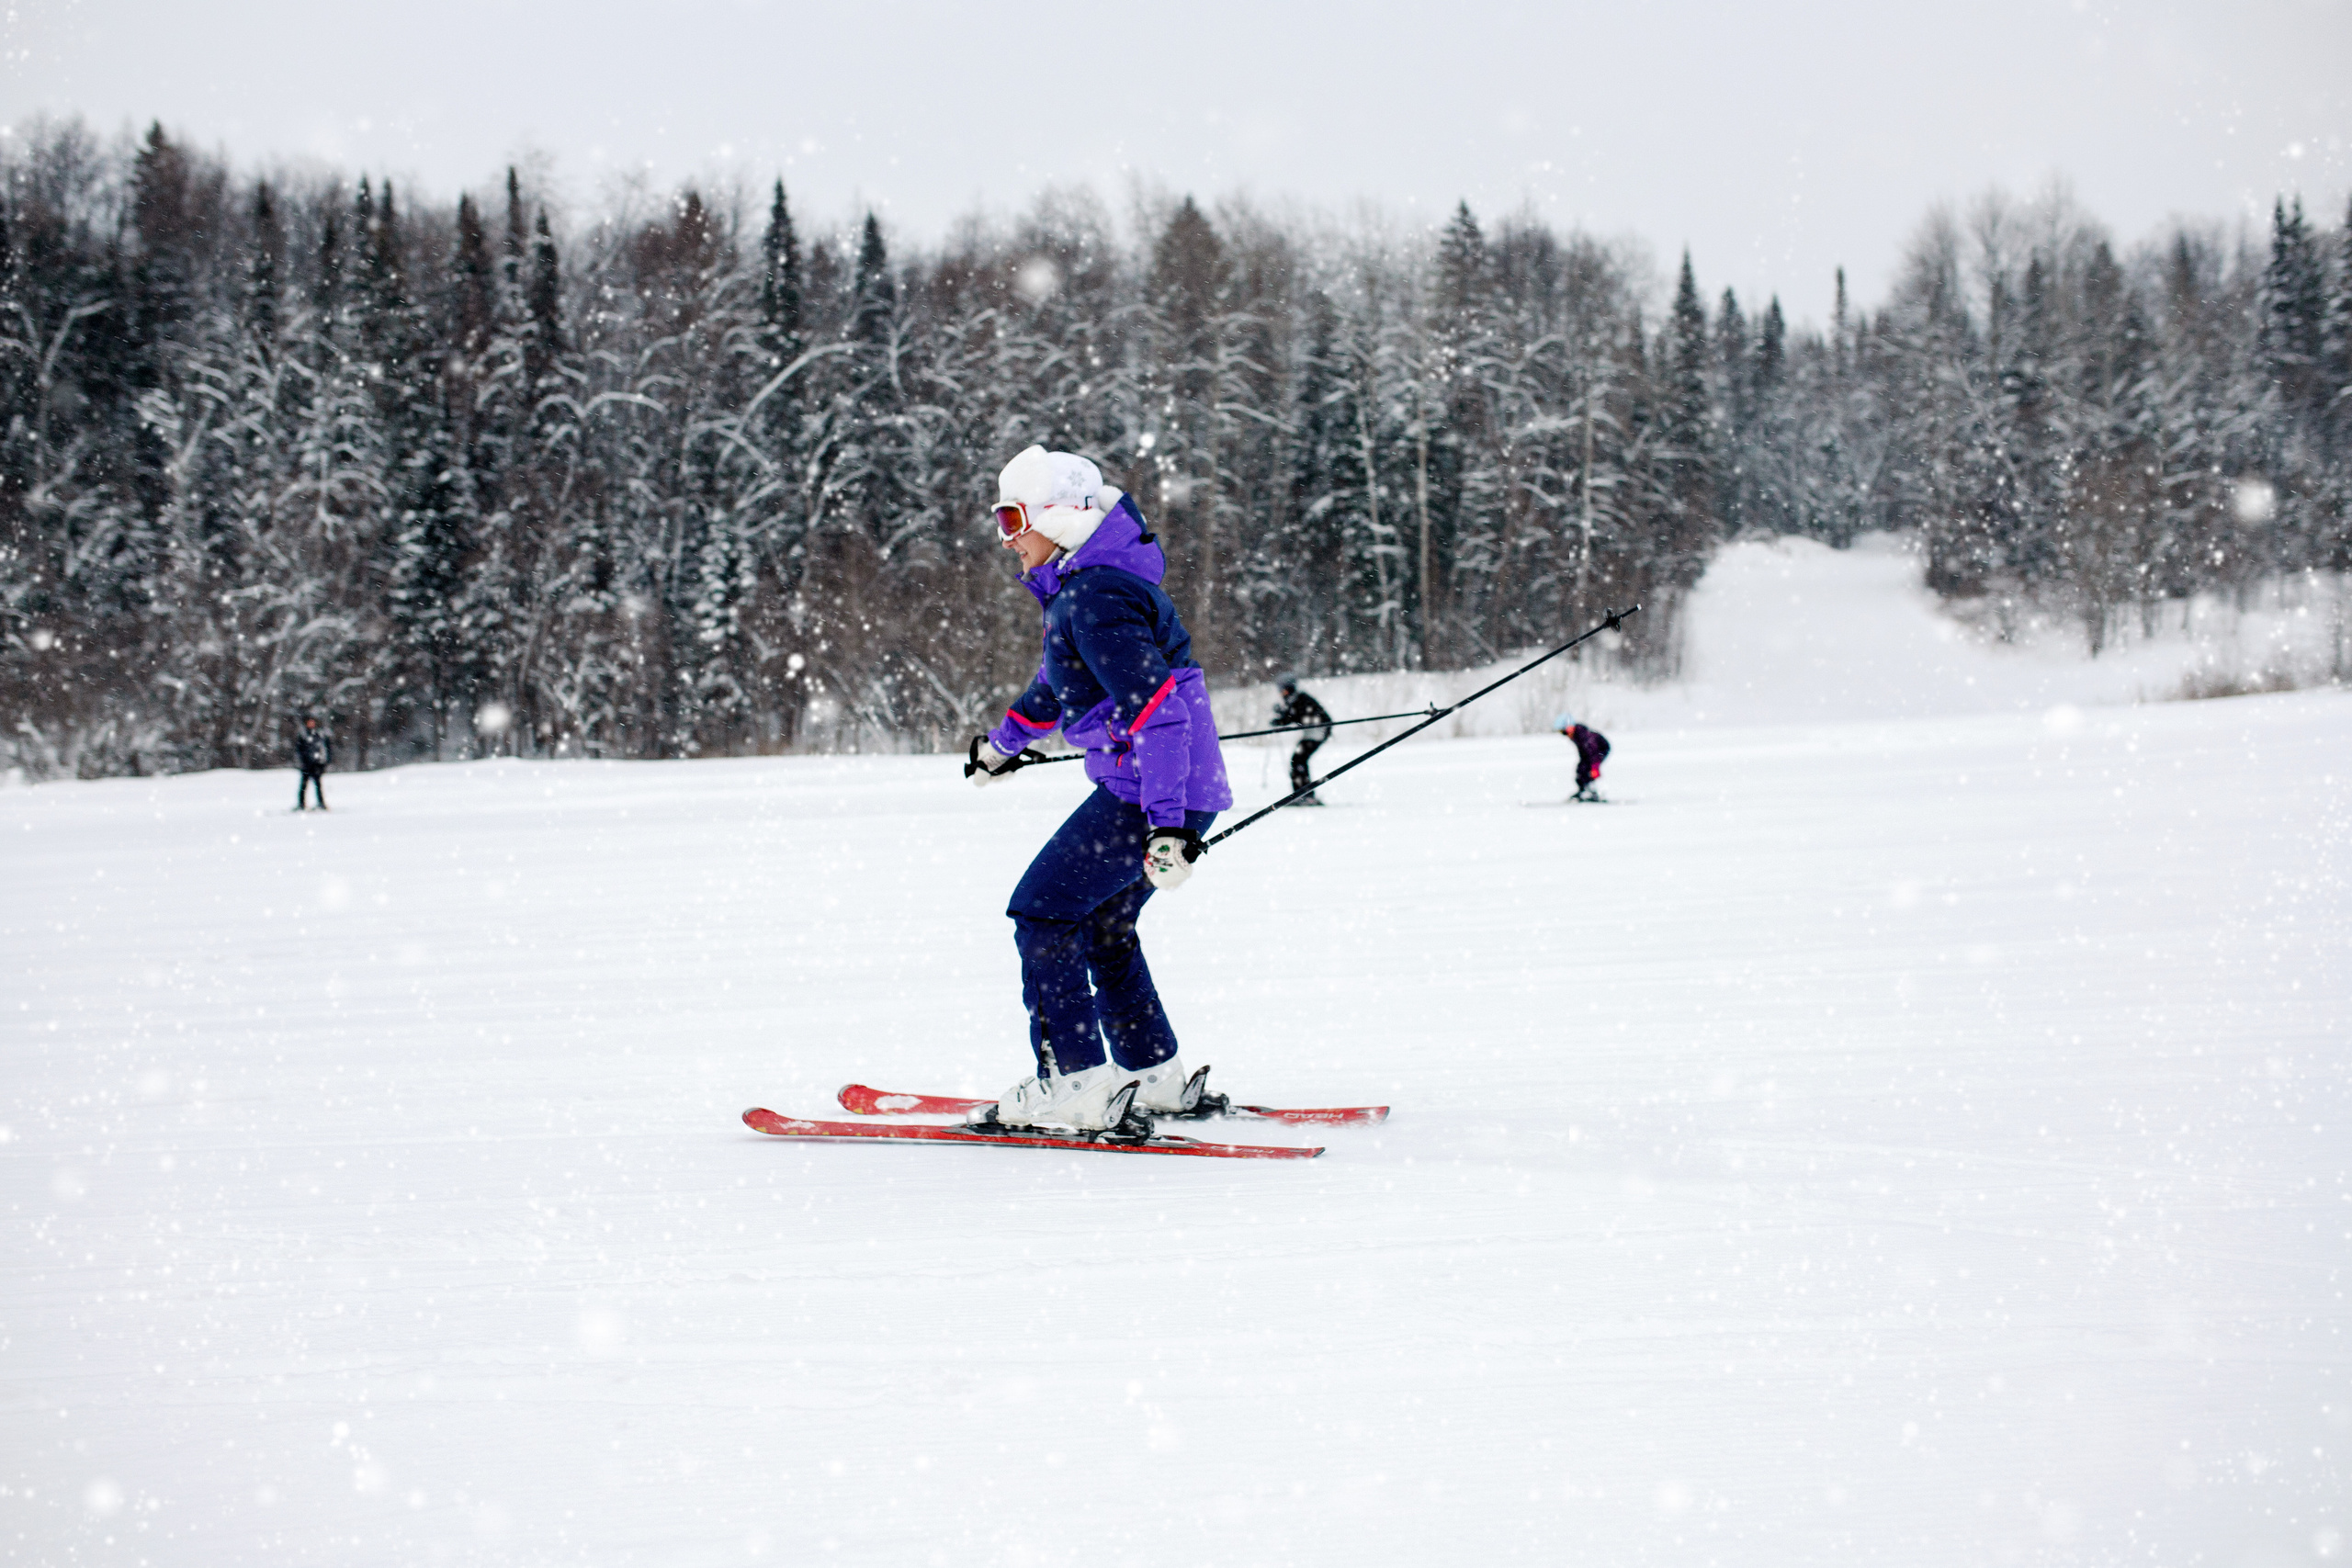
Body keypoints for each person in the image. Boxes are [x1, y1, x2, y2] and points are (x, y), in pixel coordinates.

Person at [965, 446, 1234, 1131]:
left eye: (1011, 518)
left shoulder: (1095, 595)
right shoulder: (1087, 589)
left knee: (1044, 911)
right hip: (1168, 786)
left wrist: (1166, 825)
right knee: (1106, 925)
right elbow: (1054, 689)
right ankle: (1152, 1076)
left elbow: (1158, 710)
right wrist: (1001, 748)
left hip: (1148, 791)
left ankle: (1075, 1086)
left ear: (1056, 518)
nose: (1006, 538)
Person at [1271, 676, 1331, 805]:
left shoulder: (1300, 699)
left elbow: (1295, 715)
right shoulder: (1296, 699)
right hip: (1313, 733)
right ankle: (1303, 794)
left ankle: (1305, 795)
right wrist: (1281, 718)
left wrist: (1281, 719)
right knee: (1298, 761)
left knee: (1298, 760)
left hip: (1317, 733)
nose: (1282, 694)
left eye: (1284, 691)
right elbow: (1293, 715)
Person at [1557, 714, 1610, 802]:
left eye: (1564, 732)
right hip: (1591, 753)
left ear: (1570, 728)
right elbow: (1583, 752)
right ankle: (1584, 790)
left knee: (1587, 769)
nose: (1565, 735)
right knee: (1581, 769)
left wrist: (1595, 768)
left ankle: (1591, 791)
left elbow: (1593, 753)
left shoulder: (1583, 735)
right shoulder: (1575, 735)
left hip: (1600, 750)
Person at [293, 715, 331, 811]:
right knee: (303, 786)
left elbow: (325, 749)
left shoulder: (319, 734)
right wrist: (303, 761)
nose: (311, 724)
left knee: (318, 785)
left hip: (316, 764)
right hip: (306, 764)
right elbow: (299, 750)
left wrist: (323, 762)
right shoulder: (303, 735)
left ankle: (321, 803)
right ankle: (301, 804)